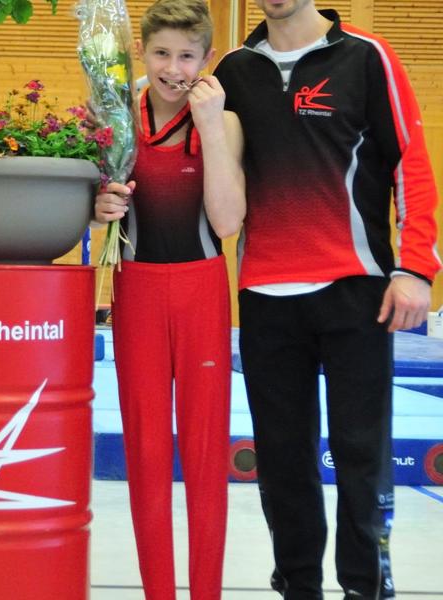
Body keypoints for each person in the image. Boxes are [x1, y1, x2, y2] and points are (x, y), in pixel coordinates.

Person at [213, 0, 440, 597]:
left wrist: (415, 266)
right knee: (282, 461)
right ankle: (298, 583)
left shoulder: (366, 57)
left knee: (361, 454)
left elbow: (410, 164)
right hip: (264, 293)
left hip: (356, 287)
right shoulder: (233, 71)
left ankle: (367, 585)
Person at [92, 0, 245, 597]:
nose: (173, 68)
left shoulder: (223, 122)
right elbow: (93, 210)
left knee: (205, 454)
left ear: (206, 59)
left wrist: (209, 126)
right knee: (147, 452)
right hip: (138, 292)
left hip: (202, 289)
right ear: (142, 53)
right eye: (162, 53)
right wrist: (100, 209)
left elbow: (228, 223)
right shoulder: (113, 119)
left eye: (187, 55)